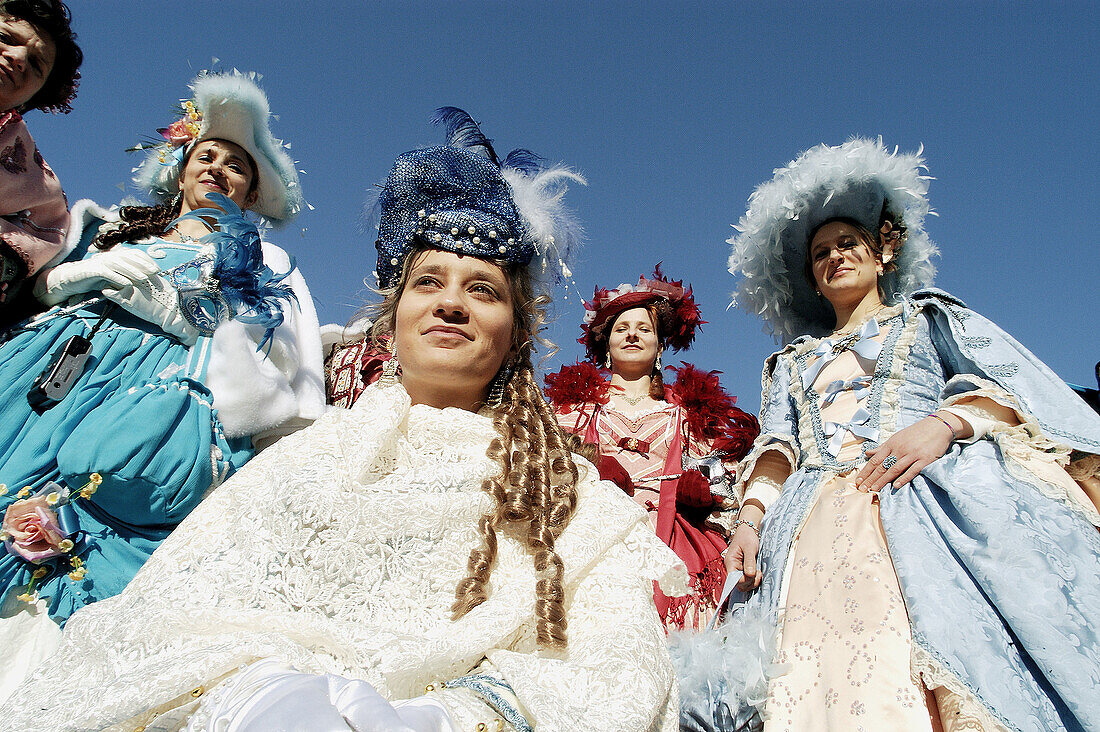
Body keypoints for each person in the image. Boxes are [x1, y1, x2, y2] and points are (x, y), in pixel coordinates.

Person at [1, 108, 685, 732]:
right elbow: (173, 616)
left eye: (481, 289)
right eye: (428, 282)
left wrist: (452, 718)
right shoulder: (302, 461)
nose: (451, 304)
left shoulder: (572, 503)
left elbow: (611, 668)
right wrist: (256, 696)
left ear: (517, 333)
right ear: (393, 317)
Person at [676, 138, 1100, 732]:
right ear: (813, 283)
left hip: (920, 502)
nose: (834, 257)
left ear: (883, 254)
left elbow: (1018, 391)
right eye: (820, 254)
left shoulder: (928, 319)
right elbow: (777, 448)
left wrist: (944, 425)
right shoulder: (792, 362)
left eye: (847, 243)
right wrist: (748, 522)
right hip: (808, 523)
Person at [0, 71, 323, 698]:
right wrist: (74, 280)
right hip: (46, 369)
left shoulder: (265, 262)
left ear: (252, 194)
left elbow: (284, 355)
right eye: (208, 157)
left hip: (141, 395)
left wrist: (181, 318)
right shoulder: (112, 223)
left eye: (238, 168)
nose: (219, 171)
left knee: (63, 565)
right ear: (181, 168)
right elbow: (34, 275)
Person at [544, 268, 758, 629]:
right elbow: (541, 466)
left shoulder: (689, 414)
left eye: (644, 329)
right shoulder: (571, 413)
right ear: (606, 346)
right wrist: (589, 469)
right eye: (621, 328)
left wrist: (700, 488)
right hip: (593, 540)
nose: (632, 335)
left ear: (660, 347)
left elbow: (725, 481)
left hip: (673, 544)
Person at [0, 0, 82, 324]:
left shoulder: (35, 181)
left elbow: (45, 235)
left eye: (36, 65)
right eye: (7, 37)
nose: (19, 58)